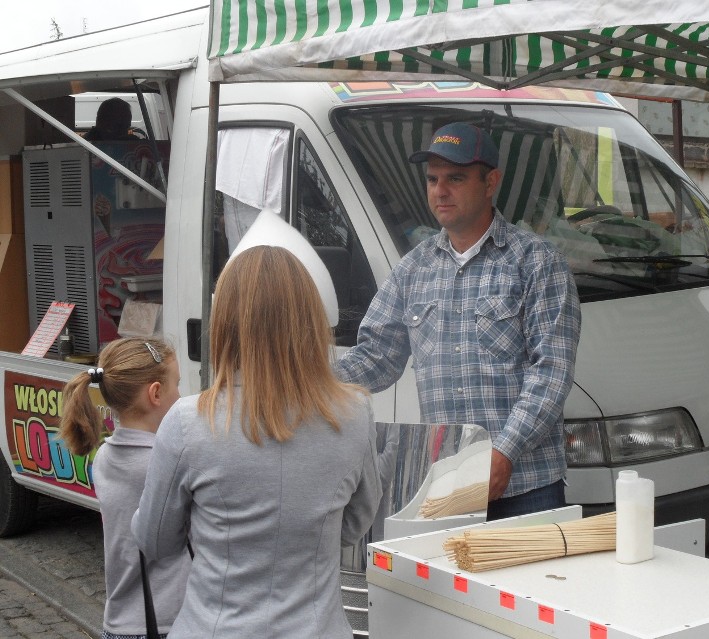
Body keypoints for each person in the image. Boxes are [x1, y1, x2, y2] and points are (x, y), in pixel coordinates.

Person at [131, 245, 381, 638]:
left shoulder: (188, 422)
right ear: (311, 319)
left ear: (226, 321)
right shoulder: (355, 413)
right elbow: (353, 526)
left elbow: (155, 541)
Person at [336, 122, 580, 520]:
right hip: (445, 484)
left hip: (525, 484)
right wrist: (302, 376)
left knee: (527, 584)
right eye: (432, 179)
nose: (440, 191)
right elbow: (377, 358)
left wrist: (505, 451)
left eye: (455, 178)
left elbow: (551, 370)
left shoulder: (536, 262)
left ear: (490, 183)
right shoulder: (413, 269)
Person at [59, 337, 189, 639]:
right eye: (177, 385)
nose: (181, 395)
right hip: (165, 623)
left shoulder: (105, 456)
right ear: (155, 393)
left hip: (120, 621)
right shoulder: (163, 463)